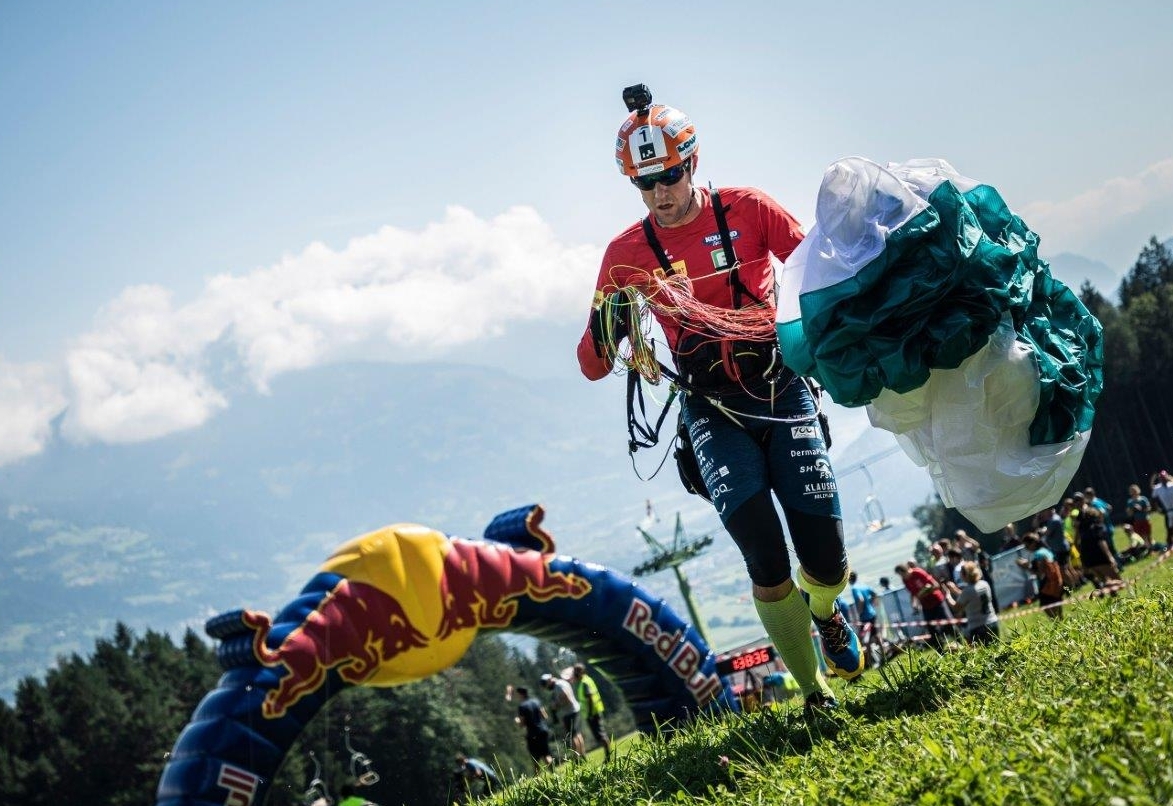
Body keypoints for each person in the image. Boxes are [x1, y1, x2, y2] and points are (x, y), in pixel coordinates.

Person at [575, 83, 861, 713]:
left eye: (669, 176)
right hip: (710, 409)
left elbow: (821, 271)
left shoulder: (750, 208)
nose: (660, 194)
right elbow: (591, 364)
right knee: (762, 549)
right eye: (644, 184)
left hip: (781, 388)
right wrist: (610, 324)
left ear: (693, 164)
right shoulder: (624, 256)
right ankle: (815, 696)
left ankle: (826, 611)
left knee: (826, 557)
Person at [895, 562, 952, 650]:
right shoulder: (905, 580)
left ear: (905, 570)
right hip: (926, 606)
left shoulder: (918, 573)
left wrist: (923, 592)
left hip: (937, 601)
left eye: (901, 574)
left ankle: (960, 643)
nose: (901, 576)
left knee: (948, 624)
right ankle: (940, 651)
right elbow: (913, 594)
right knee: (932, 630)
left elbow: (935, 585)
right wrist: (914, 604)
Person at [944, 561, 1000, 644]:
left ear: (965, 575)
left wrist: (947, 595)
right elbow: (973, 596)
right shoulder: (984, 584)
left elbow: (956, 607)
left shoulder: (967, 591)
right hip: (993, 622)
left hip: (978, 627)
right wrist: (955, 590)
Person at [1017, 533, 1064, 619]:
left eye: (1027, 546)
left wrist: (1026, 566)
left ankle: (1058, 626)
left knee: (1047, 608)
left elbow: (1041, 573)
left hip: (1048, 586)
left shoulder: (1038, 554)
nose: (1026, 548)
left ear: (1033, 543)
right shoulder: (1045, 550)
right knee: (1058, 609)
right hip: (1057, 582)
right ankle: (1064, 626)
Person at [571, 663, 612, 761]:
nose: (575, 674)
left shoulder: (584, 683)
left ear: (581, 672)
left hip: (592, 713)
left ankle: (609, 756)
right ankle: (608, 755)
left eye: (576, 672)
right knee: (600, 735)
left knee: (601, 735)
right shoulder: (585, 680)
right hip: (593, 712)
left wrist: (589, 714)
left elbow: (590, 698)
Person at [541, 672, 585, 761]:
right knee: (577, 734)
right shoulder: (562, 682)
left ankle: (577, 759)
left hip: (569, 713)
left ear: (549, 681)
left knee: (572, 736)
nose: (547, 688)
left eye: (546, 685)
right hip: (574, 710)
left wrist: (556, 705)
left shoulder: (558, 686)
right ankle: (582, 755)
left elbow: (566, 698)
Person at [512, 686, 553, 771]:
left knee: (535, 759)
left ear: (521, 694)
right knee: (546, 754)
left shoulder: (522, 706)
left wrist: (517, 721)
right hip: (543, 730)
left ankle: (537, 779)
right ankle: (554, 772)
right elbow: (545, 716)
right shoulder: (536, 702)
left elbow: (522, 724)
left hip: (532, 734)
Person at [848, 571, 882, 666]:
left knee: (865, 640)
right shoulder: (863, 585)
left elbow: (860, 600)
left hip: (865, 617)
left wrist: (859, 612)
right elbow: (875, 593)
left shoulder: (854, 588)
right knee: (876, 635)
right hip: (872, 614)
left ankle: (871, 662)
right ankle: (883, 657)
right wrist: (873, 603)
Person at [1125, 484, 1153, 551]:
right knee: (1140, 536)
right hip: (1137, 521)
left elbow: (1149, 508)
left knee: (1148, 535)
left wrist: (1141, 509)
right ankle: (1145, 549)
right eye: (1132, 490)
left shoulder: (1143, 499)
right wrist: (1132, 509)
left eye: (1135, 490)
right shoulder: (1130, 502)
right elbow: (1129, 514)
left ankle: (1151, 549)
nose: (1134, 492)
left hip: (1145, 519)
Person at [1150, 471, 1173, 542]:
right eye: (1161, 478)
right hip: (1168, 511)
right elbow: (1153, 500)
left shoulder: (1171, 485)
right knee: (1169, 528)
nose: (1163, 480)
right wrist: (1157, 509)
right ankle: (1169, 543)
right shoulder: (1158, 488)